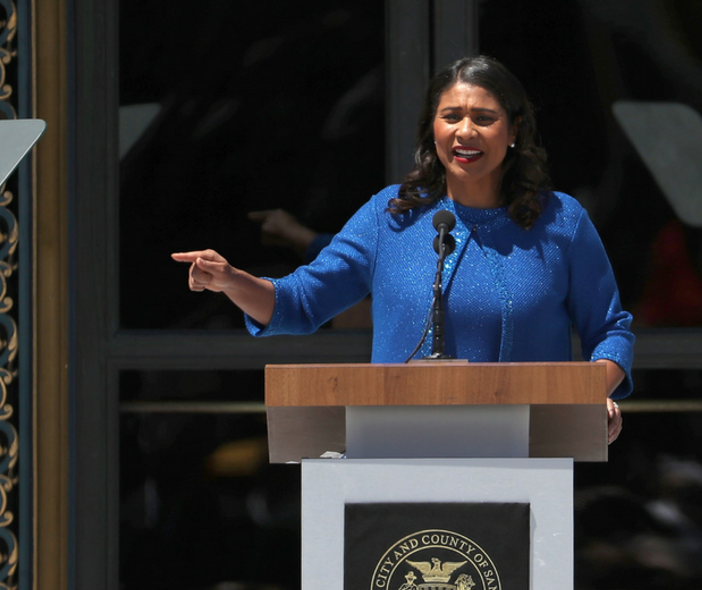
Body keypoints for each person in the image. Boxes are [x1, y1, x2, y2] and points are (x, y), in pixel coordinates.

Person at [172, 56, 634, 443]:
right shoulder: (390, 217)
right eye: (451, 116)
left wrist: (593, 390)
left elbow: (611, 330)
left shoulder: (561, 221)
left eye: (484, 118)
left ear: (513, 130)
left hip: (533, 450)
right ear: (432, 129)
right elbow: (299, 302)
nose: (465, 131)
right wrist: (231, 280)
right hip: (398, 453)